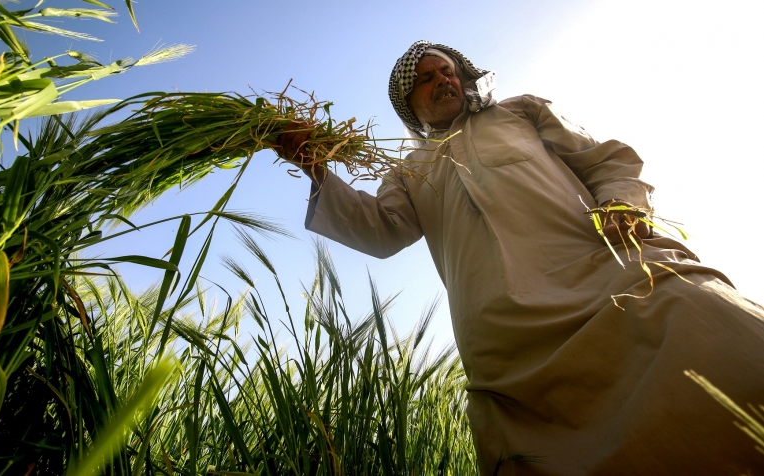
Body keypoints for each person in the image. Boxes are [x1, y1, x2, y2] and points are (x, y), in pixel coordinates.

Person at [277, 40, 764, 475]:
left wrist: (622, 204)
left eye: (447, 70)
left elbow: (606, 160)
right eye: (425, 79)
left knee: (718, 332)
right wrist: (317, 170)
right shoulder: (407, 168)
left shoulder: (520, 112)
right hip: (505, 331)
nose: (441, 80)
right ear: (410, 104)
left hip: (608, 273)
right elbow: (383, 232)